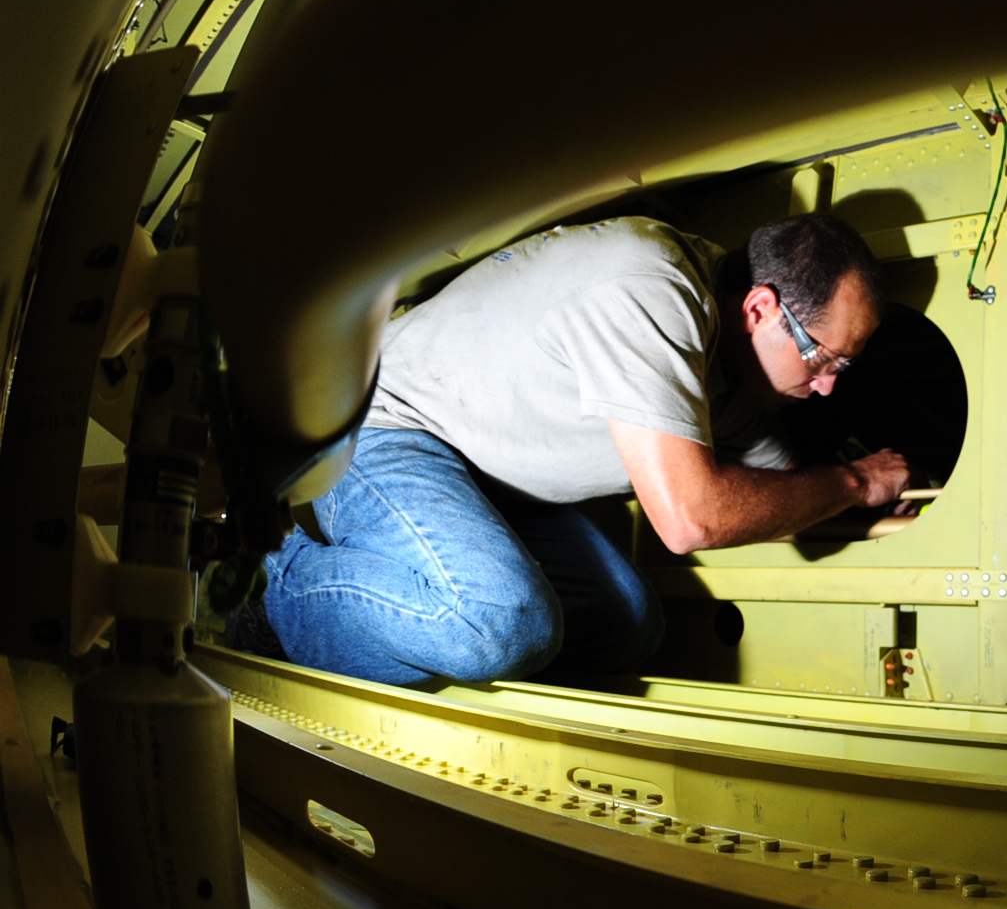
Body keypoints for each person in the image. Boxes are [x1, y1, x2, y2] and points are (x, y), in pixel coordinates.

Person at [230, 213, 909, 685]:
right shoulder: (651, 286)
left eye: (841, 369)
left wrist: (869, 497)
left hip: (492, 483)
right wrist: (854, 483)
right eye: (824, 358)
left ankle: (415, 622)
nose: (826, 386)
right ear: (760, 309)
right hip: (387, 425)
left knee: (629, 627)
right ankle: (276, 585)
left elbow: (778, 485)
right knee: (498, 621)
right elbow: (693, 519)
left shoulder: (738, 376)